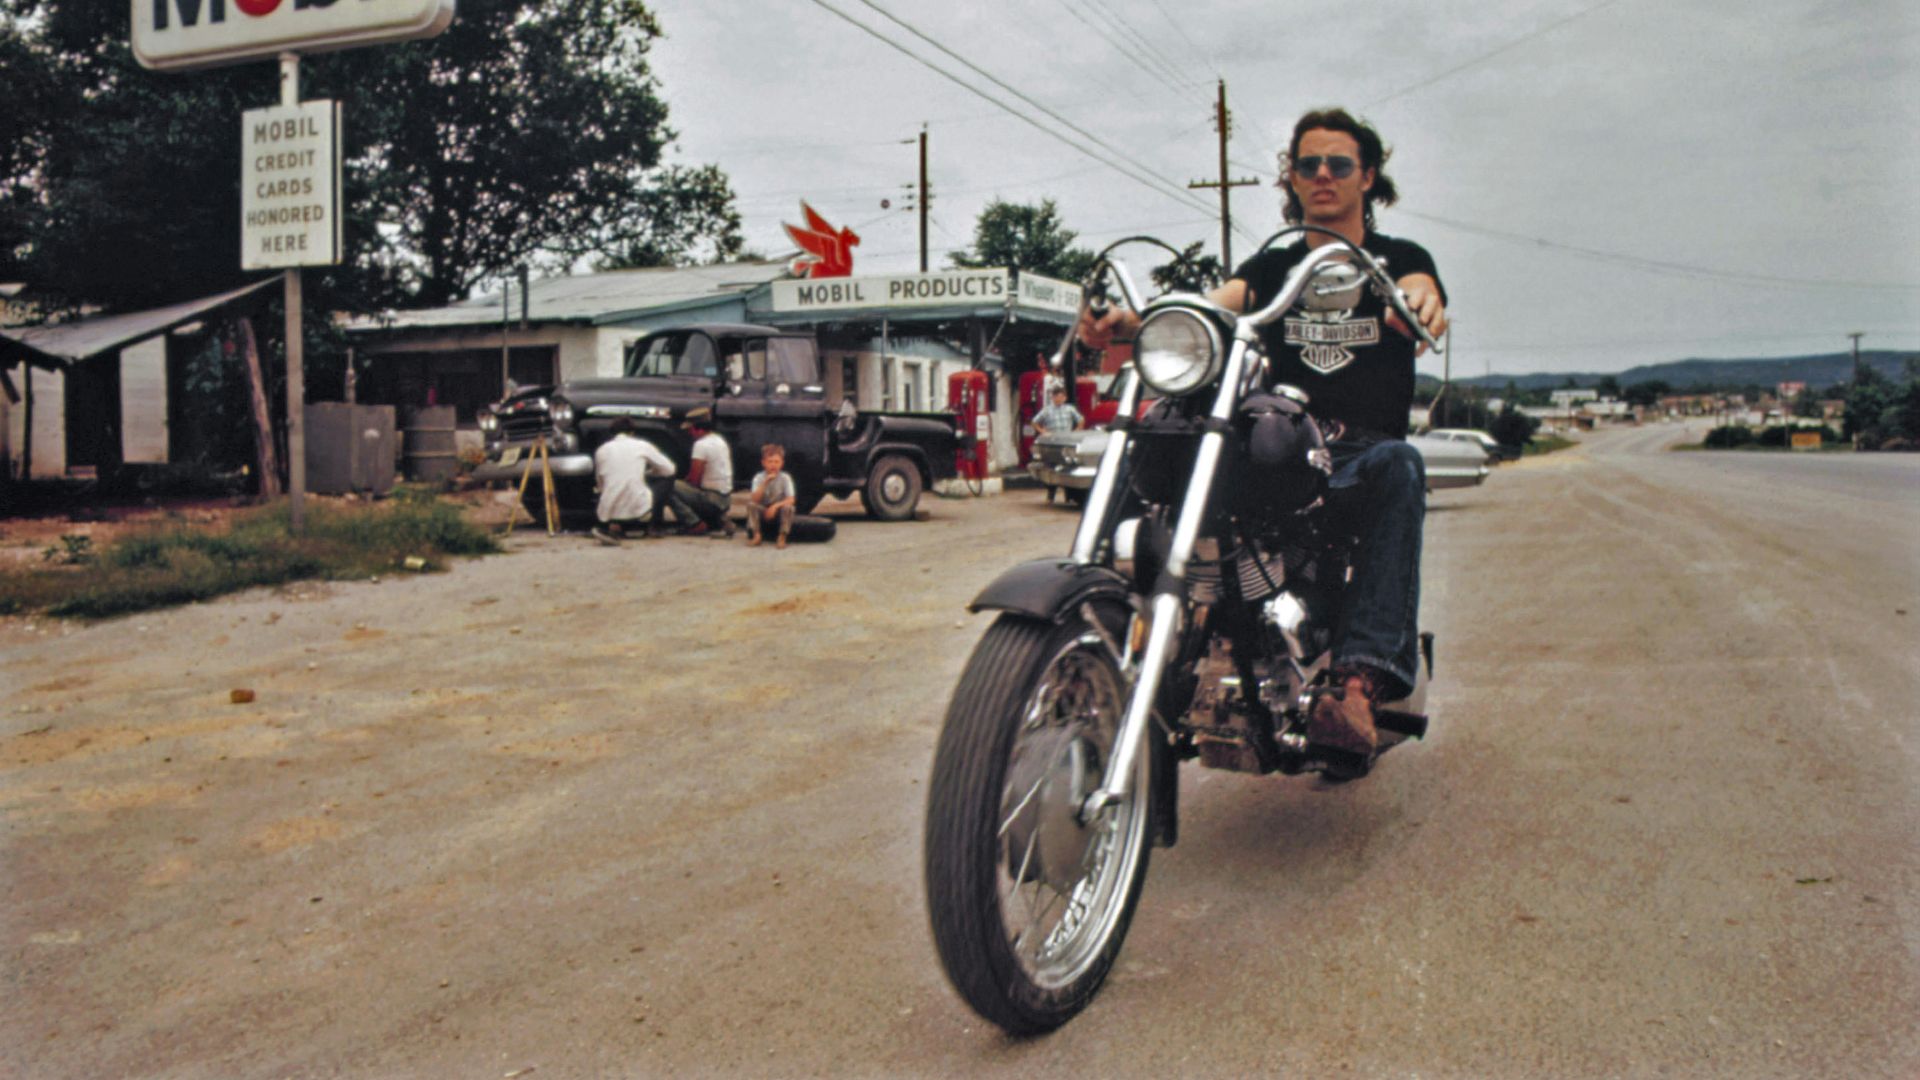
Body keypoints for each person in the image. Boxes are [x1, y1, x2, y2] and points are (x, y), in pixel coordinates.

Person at [1080, 107, 1449, 774]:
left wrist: (1419, 304)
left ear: (1368, 176)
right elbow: (1210, 305)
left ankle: (1358, 689)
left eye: (1339, 164)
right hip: (1277, 432)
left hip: (1360, 449)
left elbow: (1423, 297)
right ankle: (1099, 626)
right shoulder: (1273, 263)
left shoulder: (1397, 259)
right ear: (1293, 177)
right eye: (1309, 164)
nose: (1323, 176)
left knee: (1402, 464)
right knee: (1159, 440)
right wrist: (1132, 322)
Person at [591, 417, 677, 545]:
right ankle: (655, 525)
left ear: (612, 433)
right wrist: (650, 473)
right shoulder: (642, 445)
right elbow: (670, 469)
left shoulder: (602, 450)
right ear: (632, 432)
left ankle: (616, 524)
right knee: (667, 479)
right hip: (639, 510)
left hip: (607, 512)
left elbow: (600, 482)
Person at [668, 407, 736, 539]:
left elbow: (694, 480)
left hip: (712, 498)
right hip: (725, 498)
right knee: (681, 488)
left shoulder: (701, 445)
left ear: (696, 428)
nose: (689, 433)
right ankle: (716, 520)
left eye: (690, 429)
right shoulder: (719, 440)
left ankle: (694, 523)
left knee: (668, 487)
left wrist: (681, 484)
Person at [1031, 384, 1085, 503]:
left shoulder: (1070, 409)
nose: (1059, 399)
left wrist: (1076, 432)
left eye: (1062, 397)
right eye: (1057, 397)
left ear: (1065, 398)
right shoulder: (1047, 410)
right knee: (1053, 468)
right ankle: (1051, 494)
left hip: (1067, 443)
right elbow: (1034, 421)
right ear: (1053, 398)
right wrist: (1043, 431)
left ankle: (1069, 496)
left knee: (1068, 468)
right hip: (1053, 444)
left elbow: (1081, 419)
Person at [745, 442, 798, 549]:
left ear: (782, 463)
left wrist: (775, 506)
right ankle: (756, 535)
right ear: (763, 463)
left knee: (788, 507)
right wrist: (765, 483)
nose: (773, 465)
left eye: (776, 462)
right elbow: (755, 499)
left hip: (778, 510)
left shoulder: (785, 478)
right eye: (770, 462)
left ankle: (782, 536)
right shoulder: (758, 477)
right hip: (763, 509)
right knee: (751, 505)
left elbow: (791, 499)